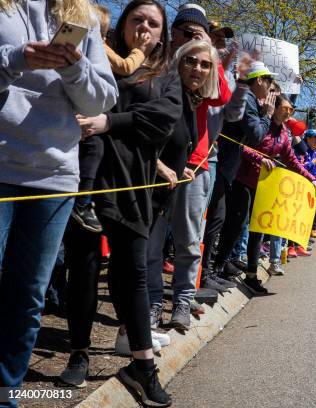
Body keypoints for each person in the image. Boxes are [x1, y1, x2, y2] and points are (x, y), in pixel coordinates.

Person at [59, 1, 180, 405]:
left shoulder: (165, 73)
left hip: (131, 180)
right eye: (136, 19)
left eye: (153, 23)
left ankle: (142, 365)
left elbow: (162, 117)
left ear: (163, 33)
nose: (144, 28)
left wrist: (110, 121)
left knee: (131, 274)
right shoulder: (99, 52)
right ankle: (78, 352)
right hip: (86, 174)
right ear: (122, 24)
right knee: (84, 267)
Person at [0, 0, 118, 398]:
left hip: (53, 179)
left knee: (27, 297)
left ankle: (6, 393)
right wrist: (18, 58)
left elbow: (101, 101)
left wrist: (73, 67)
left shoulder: (82, 17)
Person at [147, 39, 234, 331]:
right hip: (157, 172)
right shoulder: (163, 87)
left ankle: (182, 301)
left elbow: (224, 96)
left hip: (195, 171)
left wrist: (219, 59)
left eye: (205, 65)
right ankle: (153, 304)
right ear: (178, 61)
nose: (197, 68)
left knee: (188, 241)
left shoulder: (207, 97)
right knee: (153, 245)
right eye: (191, 61)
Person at [219, 95, 316, 281]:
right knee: (237, 225)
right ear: (276, 107)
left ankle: (251, 274)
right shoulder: (262, 125)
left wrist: (311, 178)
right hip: (242, 180)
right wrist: (261, 158)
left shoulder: (283, 135)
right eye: (285, 108)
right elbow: (241, 146)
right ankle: (220, 265)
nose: (289, 112)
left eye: (291, 110)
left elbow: (292, 162)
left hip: (264, 187)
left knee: (258, 231)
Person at [70, 4, 151, 234]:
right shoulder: (98, 46)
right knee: (94, 149)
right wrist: (141, 50)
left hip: (89, 108)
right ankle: (82, 202)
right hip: (82, 112)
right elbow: (126, 67)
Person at [200, 60, 278, 293]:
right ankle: (206, 273)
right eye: (270, 81)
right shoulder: (247, 99)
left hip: (227, 167)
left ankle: (215, 269)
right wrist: (267, 116)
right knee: (217, 221)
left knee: (227, 221)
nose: (271, 88)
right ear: (260, 80)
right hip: (222, 165)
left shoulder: (251, 99)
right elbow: (256, 135)